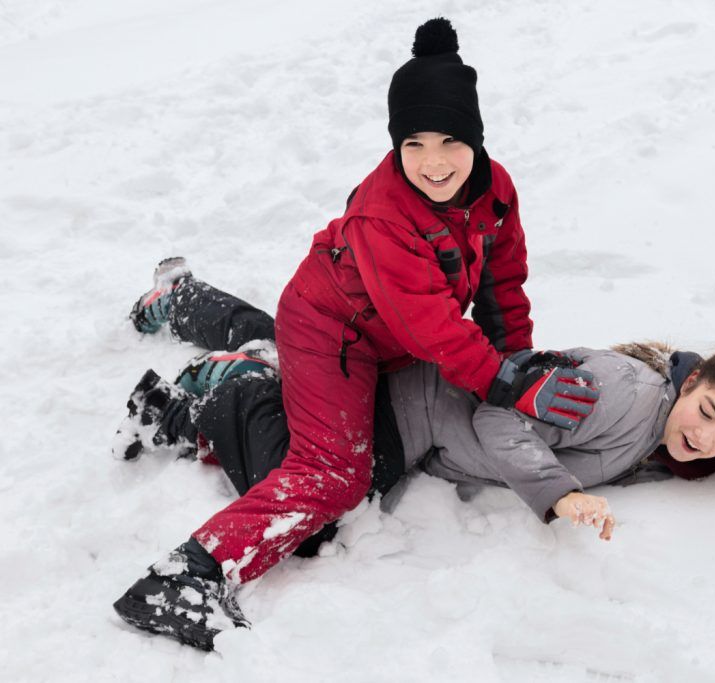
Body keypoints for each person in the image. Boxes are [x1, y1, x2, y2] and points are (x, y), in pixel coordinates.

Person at [112, 17, 603, 650]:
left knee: (361, 460)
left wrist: (518, 361)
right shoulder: (383, 215)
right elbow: (432, 327)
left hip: (383, 341)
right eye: (413, 143)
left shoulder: (495, 191)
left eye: (451, 140)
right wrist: (506, 383)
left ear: (477, 140)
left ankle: (205, 362)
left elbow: (501, 286)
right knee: (334, 475)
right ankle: (186, 576)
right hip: (330, 335)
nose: (433, 162)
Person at [112, 268, 715, 650]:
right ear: (694, 381)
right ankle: (234, 385)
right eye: (708, 412)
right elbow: (497, 412)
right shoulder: (627, 394)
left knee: (304, 361)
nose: (707, 438)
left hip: (412, 416)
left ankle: (193, 325)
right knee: (314, 510)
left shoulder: (661, 432)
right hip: (404, 409)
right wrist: (558, 493)